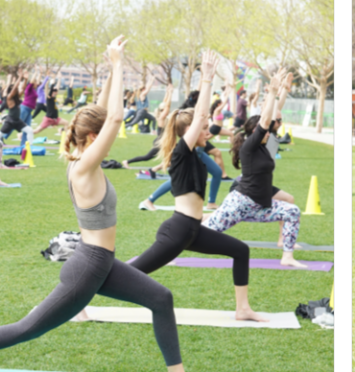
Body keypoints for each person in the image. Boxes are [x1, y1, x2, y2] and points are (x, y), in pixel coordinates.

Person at [0, 36, 214, 372]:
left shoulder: (83, 155)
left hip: (102, 262)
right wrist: (115, 63)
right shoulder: (84, 168)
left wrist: (112, 70)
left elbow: (101, 112)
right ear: (94, 138)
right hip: (88, 267)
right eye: (104, 135)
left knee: (161, 298)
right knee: (28, 328)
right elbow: (113, 115)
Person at [114, 50, 267, 324]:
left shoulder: (197, 155)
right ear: (189, 133)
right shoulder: (181, 153)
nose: (208, 131)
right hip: (178, 230)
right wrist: (206, 79)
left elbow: (204, 128)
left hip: (194, 229)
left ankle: (243, 309)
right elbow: (199, 117)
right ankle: (80, 295)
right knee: (131, 273)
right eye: (204, 128)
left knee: (240, 250)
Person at [202, 70, 303, 269]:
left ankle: (287, 256)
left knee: (292, 210)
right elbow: (266, 119)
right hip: (242, 202)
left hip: (261, 204)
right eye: (264, 130)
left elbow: (273, 114)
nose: (274, 127)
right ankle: (173, 243)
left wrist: (284, 89)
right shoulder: (250, 146)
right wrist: (273, 91)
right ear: (256, 131)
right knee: (205, 232)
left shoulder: (268, 144)